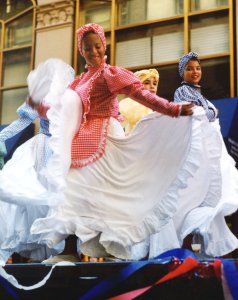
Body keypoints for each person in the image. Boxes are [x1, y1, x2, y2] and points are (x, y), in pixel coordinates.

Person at [28, 23, 220, 263]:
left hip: (106, 138)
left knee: (102, 191)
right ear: (82, 51)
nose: (94, 51)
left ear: (104, 45)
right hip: (82, 140)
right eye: (88, 48)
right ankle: (73, 249)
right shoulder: (79, 81)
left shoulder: (110, 74)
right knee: (74, 189)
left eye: (97, 46)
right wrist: (41, 108)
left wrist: (173, 109)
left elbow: (142, 95)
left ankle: (97, 244)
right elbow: (62, 110)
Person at [0, 58, 75, 264]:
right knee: (32, 195)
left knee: (63, 195)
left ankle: (65, 250)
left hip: (63, 149)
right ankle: (28, 253)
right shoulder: (40, 96)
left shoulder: (71, 97)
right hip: (41, 149)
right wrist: (1, 137)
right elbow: (23, 121)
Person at [173, 52, 238, 257]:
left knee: (207, 193)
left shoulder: (199, 94)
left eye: (198, 68)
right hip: (195, 151)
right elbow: (193, 115)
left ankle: (198, 241)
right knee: (193, 193)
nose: (195, 72)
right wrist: (210, 112)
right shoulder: (182, 91)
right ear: (182, 72)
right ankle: (186, 242)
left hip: (207, 150)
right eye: (190, 68)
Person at [119, 68, 159, 135]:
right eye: (147, 83)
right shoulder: (130, 104)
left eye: (155, 84)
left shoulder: (153, 107)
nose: (152, 86)